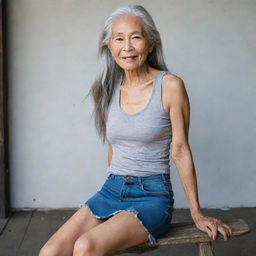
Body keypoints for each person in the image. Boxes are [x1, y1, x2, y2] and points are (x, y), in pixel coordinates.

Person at [39, 5, 233, 256]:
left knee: (85, 247)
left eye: (136, 37)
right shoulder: (107, 90)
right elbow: (114, 147)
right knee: (50, 252)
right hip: (111, 190)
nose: (127, 47)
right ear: (110, 47)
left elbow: (181, 150)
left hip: (152, 196)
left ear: (151, 43)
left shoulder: (170, 86)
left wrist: (196, 212)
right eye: (119, 39)